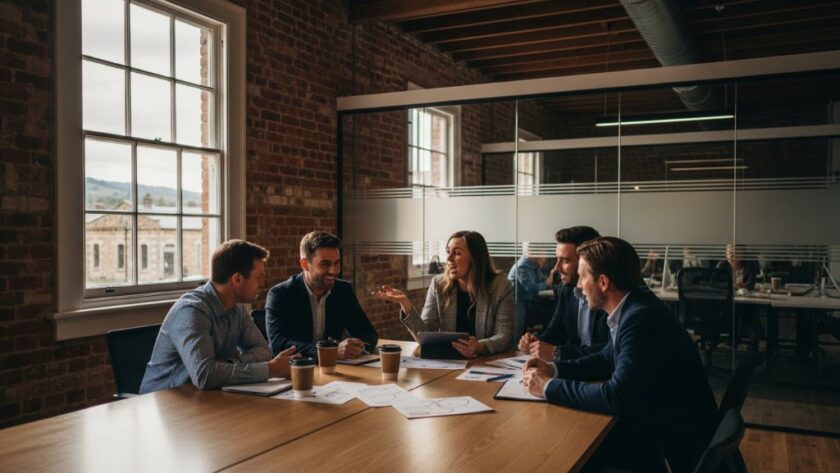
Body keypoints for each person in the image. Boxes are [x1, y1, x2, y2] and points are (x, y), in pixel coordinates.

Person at [522, 237, 719, 473]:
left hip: (670, 443)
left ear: (603, 282)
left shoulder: (640, 318)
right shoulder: (634, 306)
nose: (578, 286)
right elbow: (606, 357)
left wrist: (548, 387)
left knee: (567, 451)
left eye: (583, 276)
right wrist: (554, 369)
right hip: (663, 424)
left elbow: (616, 396)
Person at [140, 240, 297, 393]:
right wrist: (269, 369)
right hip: (163, 403)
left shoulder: (237, 308)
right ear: (237, 279)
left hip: (205, 397)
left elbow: (263, 350)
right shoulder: (192, 310)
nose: (263, 282)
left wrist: (226, 364)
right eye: (259, 276)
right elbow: (206, 375)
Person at [373, 230, 513, 356]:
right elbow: (425, 336)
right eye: (448, 252)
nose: (449, 259)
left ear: (475, 259)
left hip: (485, 364)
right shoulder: (438, 284)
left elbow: (504, 336)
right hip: (448, 363)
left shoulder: (500, 286)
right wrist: (406, 304)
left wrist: (479, 347)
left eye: (457, 253)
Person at [265, 231, 378, 359]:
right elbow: (278, 344)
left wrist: (358, 347)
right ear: (305, 264)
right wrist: (331, 352)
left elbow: (368, 334)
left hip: (334, 370)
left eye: (337, 263)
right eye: (325, 264)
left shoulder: (343, 290)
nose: (334, 271)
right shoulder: (280, 294)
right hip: (297, 371)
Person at [518, 226, 609, 361]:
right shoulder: (567, 289)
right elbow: (555, 332)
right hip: (575, 370)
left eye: (565, 260)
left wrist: (557, 353)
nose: (556, 267)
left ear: (586, 261)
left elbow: (609, 350)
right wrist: (535, 342)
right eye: (557, 259)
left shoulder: (607, 293)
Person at [507, 245, 554, 340]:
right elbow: (532, 288)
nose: (545, 258)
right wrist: (547, 282)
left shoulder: (533, 265)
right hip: (516, 305)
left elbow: (540, 280)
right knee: (517, 335)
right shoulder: (523, 266)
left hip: (526, 304)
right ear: (535, 253)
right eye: (543, 253)